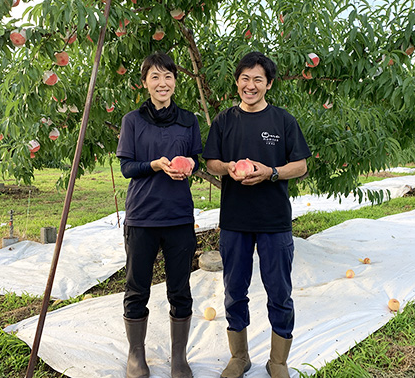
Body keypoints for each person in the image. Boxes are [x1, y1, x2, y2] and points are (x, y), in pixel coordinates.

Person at [202, 52, 311, 378]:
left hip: (274, 221)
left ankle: (277, 361)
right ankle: (240, 356)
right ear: (237, 82)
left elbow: (302, 166)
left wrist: (271, 172)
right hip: (235, 220)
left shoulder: (283, 120)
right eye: (245, 78)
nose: (251, 85)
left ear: (268, 84)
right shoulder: (224, 121)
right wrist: (229, 167)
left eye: (258, 80)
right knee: (235, 290)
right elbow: (211, 163)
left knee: (280, 291)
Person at [116, 52, 202, 378]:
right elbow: (126, 168)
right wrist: (153, 165)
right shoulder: (132, 121)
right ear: (145, 83)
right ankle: (136, 356)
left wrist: (189, 165)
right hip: (142, 217)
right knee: (137, 288)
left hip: (178, 217)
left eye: (168, 76)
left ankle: (179, 358)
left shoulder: (188, 120)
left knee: (179, 289)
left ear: (175, 82)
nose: (162, 83)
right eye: (155, 76)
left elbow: (194, 158)